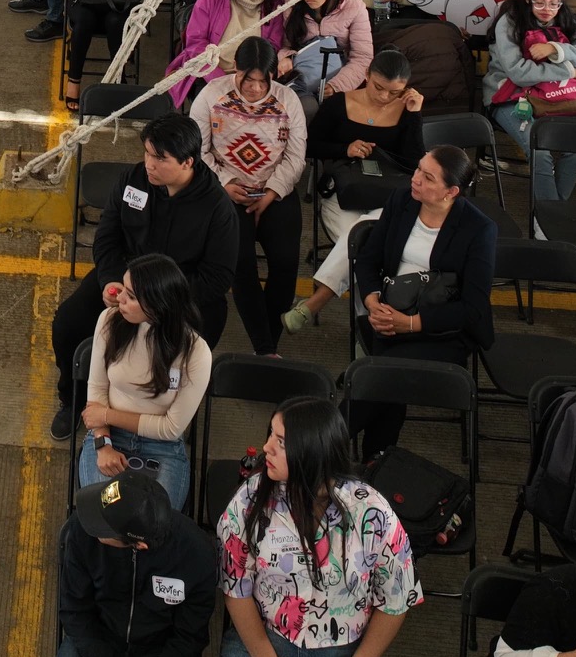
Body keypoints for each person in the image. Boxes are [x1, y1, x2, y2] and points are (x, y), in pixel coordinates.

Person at [48, 114, 237, 442]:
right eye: (147, 153)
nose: (149, 164)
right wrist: (112, 282)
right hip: (126, 282)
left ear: (187, 162)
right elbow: (107, 239)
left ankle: (166, 415)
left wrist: (156, 300)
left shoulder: (217, 208)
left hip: (182, 298)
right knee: (67, 324)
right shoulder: (132, 180)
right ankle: (73, 397)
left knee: (180, 356)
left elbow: (217, 278)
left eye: (160, 158)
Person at [215, 396, 421, 657]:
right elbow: (235, 589)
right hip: (263, 645)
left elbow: (397, 597)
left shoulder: (372, 514)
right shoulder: (250, 501)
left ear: (311, 451)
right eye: (270, 434)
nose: (266, 447)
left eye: (281, 442)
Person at [348, 148, 497, 454]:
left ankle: (317, 444)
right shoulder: (402, 200)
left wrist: (411, 323)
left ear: (451, 192)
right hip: (393, 311)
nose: (415, 179)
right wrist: (373, 301)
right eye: (418, 169)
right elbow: (368, 259)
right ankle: (374, 462)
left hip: (444, 329)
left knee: (380, 377)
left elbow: (472, 309)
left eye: (428, 177)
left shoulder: (478, 229)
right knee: (388, 382)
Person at [284, 52, 427, 334]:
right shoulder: (339, 104)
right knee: (367, 249)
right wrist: (345, 149)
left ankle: (321, 306)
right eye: (378, 87)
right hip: (342, 193)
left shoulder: (406, 110)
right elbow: (309, 146)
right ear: (366, 76)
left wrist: (414, 115)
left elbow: (414, 163)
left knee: (362, 246)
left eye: (394, 92)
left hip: (386, 197)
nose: (385, 97)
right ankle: (372, 332)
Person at [190, 37, 307, 358]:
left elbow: (295, 158)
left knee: (285, 263)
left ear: (274, 75)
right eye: (248, 79)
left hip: (275, 190)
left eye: (263, 80)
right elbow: (198, 152)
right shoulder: (211, 95)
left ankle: (268, 342)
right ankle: (265, 349)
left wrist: (271, 193)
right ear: (235, 70)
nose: (255, 88)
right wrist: (225, 183)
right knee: (240, 264)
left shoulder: (288, 100)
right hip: (226, 193)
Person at [54, 471, 218, 657]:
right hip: (96, 639)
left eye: (105, 529)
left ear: (139, 545)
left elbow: (190, 638)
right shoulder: (84, 527)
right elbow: (74, 610)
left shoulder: (197, 554)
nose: (92, 523)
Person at [74, 252, 211, 508]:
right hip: (109, 435)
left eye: (131, 296)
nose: (118, 298)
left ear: (158, 306)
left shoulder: (196, 353)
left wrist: (106, 415)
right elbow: (97, 390)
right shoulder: (110, 320)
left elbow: (171, 429)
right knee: (105, 516)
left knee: (153, 523)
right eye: (123, 289)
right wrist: (103, 444)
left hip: (163, 448)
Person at [485, 0, 576, 203]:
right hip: (511, 96)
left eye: (554, 3)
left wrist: (555, 48)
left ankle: (552, 211)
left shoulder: (565, 19)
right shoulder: (510, 21)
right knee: (540, 150)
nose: (547, 9)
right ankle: (548, 216)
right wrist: (569, 71)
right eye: (539, 2)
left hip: (555, 96)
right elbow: (518, 72)